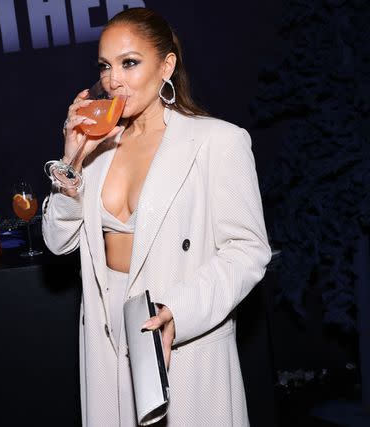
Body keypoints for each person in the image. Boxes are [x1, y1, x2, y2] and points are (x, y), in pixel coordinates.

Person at [41, 7, 272, 427]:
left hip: (177, 326)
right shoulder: (97, 148)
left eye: (129, 63)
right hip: (106, 329)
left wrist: (178, 310)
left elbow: (248, 252)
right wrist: (71, 161)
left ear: (166, 66)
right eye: (106, 66)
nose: (114, 80)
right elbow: (59, 242)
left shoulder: (217, 141)